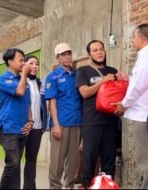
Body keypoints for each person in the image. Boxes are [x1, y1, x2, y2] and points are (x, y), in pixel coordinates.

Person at [114, 23, 148, 189]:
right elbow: (143, 81)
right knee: (146, 156)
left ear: (141, 38)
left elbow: (139, 85)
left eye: (134, 37)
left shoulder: (147, 55)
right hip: (144, 111)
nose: (133, 40)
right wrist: (128, 78)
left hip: (142, 114)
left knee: (145, 157)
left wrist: (124, 104)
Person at [75, 40, 119, 188]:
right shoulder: (83, 71)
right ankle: (87, 186)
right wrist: (102, 81)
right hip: (91, 121)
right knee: (89, 160)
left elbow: (119, 93)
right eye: (95, 50)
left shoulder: (113, 70)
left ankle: (107, 186)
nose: (99, 52)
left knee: (109, 159)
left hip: (111, 121)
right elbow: (84, 93)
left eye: (101, 49)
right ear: (89, 54)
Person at [45, 43, 81, 189]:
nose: (67, 57)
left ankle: (70, 185)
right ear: (58, 58)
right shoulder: (53, 77)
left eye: (69, 54)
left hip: (77, 122)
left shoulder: (78, 75)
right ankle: (55, 186)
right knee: (57, 160)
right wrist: (56, 125)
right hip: (61, 122)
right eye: (63, 54)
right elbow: (52, 102)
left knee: (73, 160)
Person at [0, 48, 32, 189]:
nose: (24, 63)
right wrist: (24, 75)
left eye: (24, 60)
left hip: (22, 128)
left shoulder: (23, 80)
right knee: (13, 164)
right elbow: (19, 91)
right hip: (8, 128)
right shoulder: (3, 79)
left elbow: (27, 103)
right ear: (10, 62)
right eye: (21, 60)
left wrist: (30, 121)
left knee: (15, 166)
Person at [23, 55, 48, 189]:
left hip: (37, 128)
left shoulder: (40, 83)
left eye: (36, 64)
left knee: (31, 161)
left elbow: (45, 104)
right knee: (14, 162)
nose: (34, 66)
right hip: (23, 127)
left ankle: (29, 187)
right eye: (31, 63)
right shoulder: (20, 81)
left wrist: (45, 122)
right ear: (24, 65)